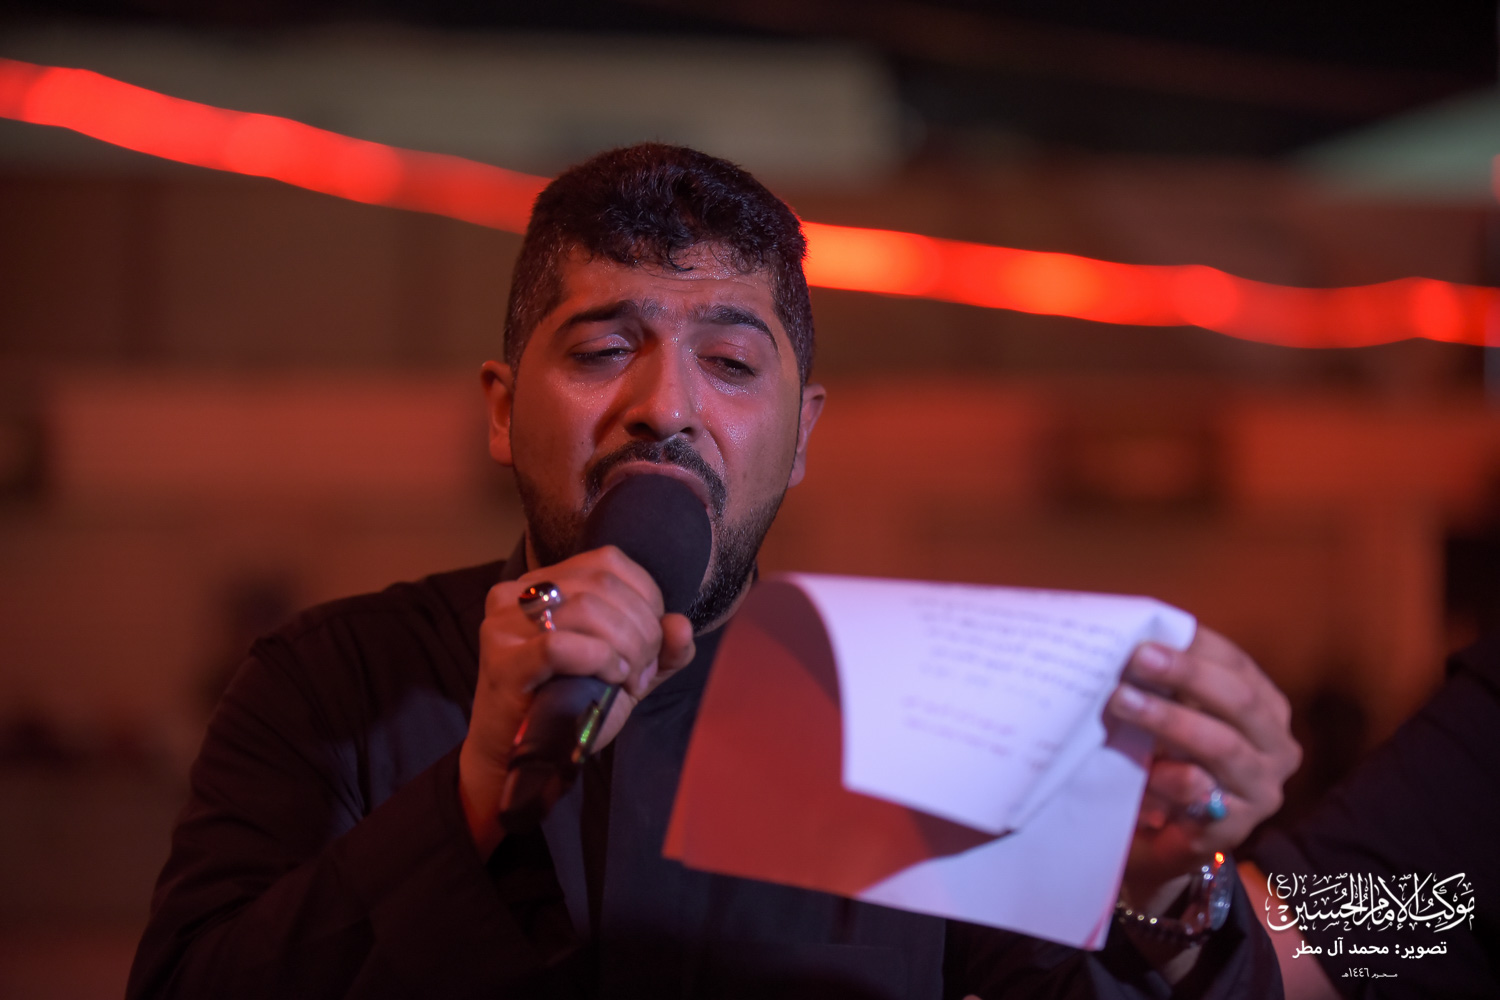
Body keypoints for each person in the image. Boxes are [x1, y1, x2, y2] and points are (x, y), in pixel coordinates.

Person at [127, 143, 1299, 998]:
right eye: (604, 348)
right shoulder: (329, 685)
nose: (666, 407)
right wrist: (473, 794)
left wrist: (1162, 889)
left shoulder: (925, 713)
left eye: (732, 362)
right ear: (502, 409)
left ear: (802, 435)